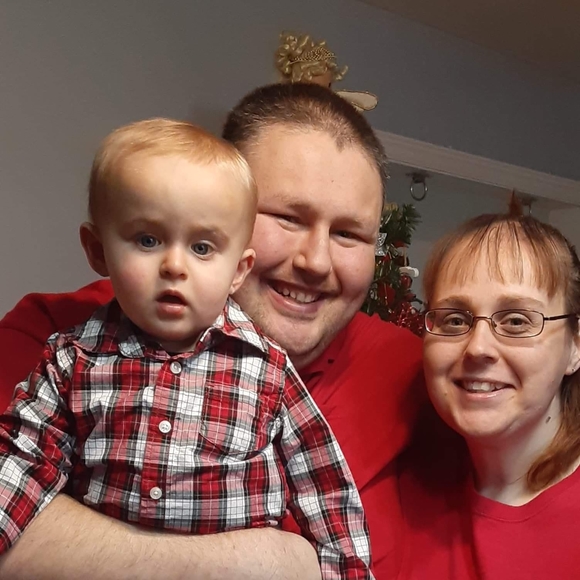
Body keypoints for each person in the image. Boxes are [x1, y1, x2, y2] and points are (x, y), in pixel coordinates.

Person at [0, 83, 425, 580]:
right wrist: (264, 563)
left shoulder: (416, 369)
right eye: (288, 217)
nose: (315, 261)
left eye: (349, 233)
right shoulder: (59, 339)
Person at [397, 212, 580, 579]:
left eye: (516, 321)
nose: (478, 347)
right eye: (455, 320)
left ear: (575, 346)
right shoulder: (402, 488)